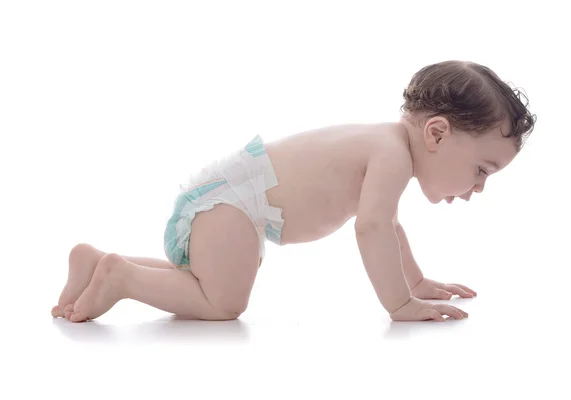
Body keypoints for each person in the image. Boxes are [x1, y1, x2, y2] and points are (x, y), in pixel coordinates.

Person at [51, 60, 536, 323]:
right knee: (224, 304)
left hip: (229, 205)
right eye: (481, 169)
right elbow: (370, 229)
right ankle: (122, 280)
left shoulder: (388, 149)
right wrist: (399, 304)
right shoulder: (389, 155)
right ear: (436, 134)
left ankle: (98, 263)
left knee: (198, 282)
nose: (478, 188)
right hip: (232, 209)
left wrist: (417, 280)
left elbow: (388, 225)